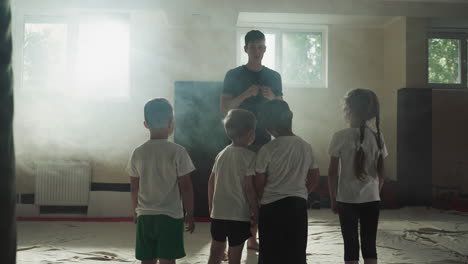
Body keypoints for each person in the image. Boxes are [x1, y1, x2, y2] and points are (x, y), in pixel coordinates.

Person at [220, 29, 282, 250]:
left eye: (260, 46)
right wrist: (245, 94)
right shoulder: (234, 75)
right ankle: (240, 238)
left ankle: (256, 236)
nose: (257, 51)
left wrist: (273, 98)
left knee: (261, 188)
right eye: (253, 47)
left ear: (265, 49)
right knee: (240, 189)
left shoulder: (274, 77)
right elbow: (224, 109)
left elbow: (282, 110)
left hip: (265, 138)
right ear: (245, 49)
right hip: (239, 139)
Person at [127, 98, 196, 264]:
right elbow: (186, 187)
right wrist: (190, 213)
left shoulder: (138, 152)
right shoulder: (178, 151)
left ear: (146, 124)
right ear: (171, 123)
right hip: (170, 216)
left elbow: (134, 187)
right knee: (167, 259)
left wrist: (135, 210)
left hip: (145, 215)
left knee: (147, 259)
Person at [255, 99, 320, 264]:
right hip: (297, 206)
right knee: (296, 251)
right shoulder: (306, 146)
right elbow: (314, 177)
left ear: (268, 127)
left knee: (269, 252)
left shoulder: (267, 149)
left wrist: (259, 199)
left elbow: (259, 182)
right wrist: (302, 192)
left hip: (271, 207)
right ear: (290, 120)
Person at [327, 89, 388, 264]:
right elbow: (382, 172)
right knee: (370, 243)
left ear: (348, 109)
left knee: (350, 243)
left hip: (346, 199)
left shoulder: (340, 136)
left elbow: (332, 172)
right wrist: (376, 192)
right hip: (372, 198)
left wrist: (333, 199)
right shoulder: (378, 136)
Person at [207, 109, 259, 264]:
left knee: (216, 250)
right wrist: (255, 210)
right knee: (234, 255)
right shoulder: (250, 157)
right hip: (238, 215)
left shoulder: (221, 154)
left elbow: (211, 182)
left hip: (219, 213)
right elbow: (249, 188)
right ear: (251, 134)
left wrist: (211, 206)